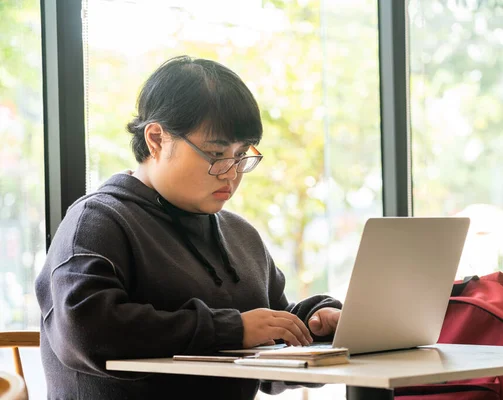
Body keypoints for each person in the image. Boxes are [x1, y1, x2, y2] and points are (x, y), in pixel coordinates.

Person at [35, 55, 342, 399]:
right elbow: (86, 331)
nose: (232, 171)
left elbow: (269, 335)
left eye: (242, 154)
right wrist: (232, 329)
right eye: (215, 154)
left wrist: (318, 323)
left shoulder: (240, 235)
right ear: (156, 139)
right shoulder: (98, 221)